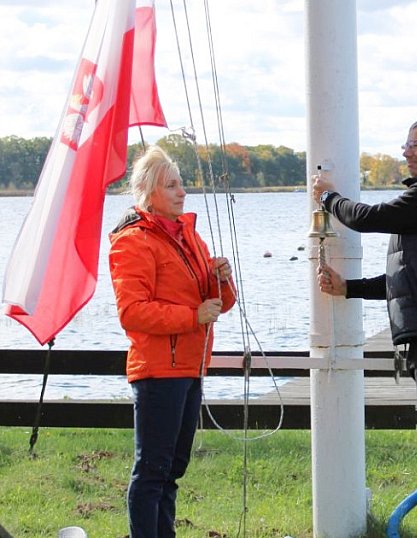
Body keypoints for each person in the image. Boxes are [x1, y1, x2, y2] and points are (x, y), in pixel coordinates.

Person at [312, 117, 417, 537]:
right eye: (405, 144)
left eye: (416, 144)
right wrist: (349, 287)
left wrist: (330, 198)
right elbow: (411, 277)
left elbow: (369, 217)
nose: (406, 151)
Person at [108, 145, 237, 538]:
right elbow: (132, 312)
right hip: (158, 368)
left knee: (173, 468)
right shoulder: (133, 241)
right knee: (153, 470)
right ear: (149, 192)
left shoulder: (189, 236)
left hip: (192, 366)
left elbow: (219, 305)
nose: (182, 192)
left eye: (181, 183)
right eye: (171, 185)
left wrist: (222, 278)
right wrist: (191, 316)